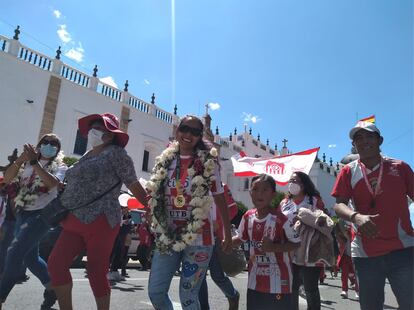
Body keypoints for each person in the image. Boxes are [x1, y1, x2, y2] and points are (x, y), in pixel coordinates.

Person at [47, 113, 148, 310]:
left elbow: (134, 184)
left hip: (102, 220)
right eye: (92, 126)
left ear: (110, 134)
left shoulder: (118, 154)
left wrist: (152, 209)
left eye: (98, 127)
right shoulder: (87, 155)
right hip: (74, 217)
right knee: (55, 264)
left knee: (96, 271)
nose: (93, 130)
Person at [147, 115, 232, 310]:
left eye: (195, 132)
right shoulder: (165, 159)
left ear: (200, 136)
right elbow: (155, 192)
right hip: (167, 235)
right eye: (185, 129)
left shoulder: (208, 162)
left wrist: (227, 233)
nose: (188, 135)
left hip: (200, 240)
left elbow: (220, 198)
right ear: (177, 129)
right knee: (156, 293)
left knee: (188, 296)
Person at [332, 121, 414, 310]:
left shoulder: (400, 167)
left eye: (369, 136)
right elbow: (339, 205)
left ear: (380, 141)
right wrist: (355, 216)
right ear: (354, 145)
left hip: (402, 249)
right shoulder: (348, 171)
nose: (363, 141)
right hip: (365, 253)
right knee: (370, 306)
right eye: (358, 138)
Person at [0, 134, 67, 310]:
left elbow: (53, 183)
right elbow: (7, 179)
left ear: (58, 150)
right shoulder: (25, 164)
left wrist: (34, 163)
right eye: (45, 142)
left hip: (43, 215)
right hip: (22, 214)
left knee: (14, 252)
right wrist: (21, 159)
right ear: (38, 145)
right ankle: (52, 289)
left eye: (54, 144)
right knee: (31, 258)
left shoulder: (60, 166)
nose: (49, 145)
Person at [232, 174, 300, 310]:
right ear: (250, 193)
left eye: (265, 190)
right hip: (254, 282)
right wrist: (226, 241)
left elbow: (297, 243)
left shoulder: (282, 219)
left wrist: (273, 247)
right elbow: (241, 238)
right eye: (255, 189)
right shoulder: (247, 216)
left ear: (273, 194)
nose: (259, 194)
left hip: (279, 284)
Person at [280, 171, 333, 310]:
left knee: (310, 288)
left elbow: (324, 221)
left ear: (303, 184)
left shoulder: (314, 200)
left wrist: (307, 218)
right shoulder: (284, 203)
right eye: (290, 180)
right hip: (289, 250)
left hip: (310, 249)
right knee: (292, 287)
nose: (291, 183)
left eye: (295, 180)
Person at [199, 184, 240, 310]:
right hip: (199, 238)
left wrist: (219, 222)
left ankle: (233, 295)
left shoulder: (222, 187)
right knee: (199, 276)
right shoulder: (195, 184)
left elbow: (233, 209)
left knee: (217, 275)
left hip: (216, 238)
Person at [334, 220, 359, 300]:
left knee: (356, 274)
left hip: (355, 255)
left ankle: (357, 291)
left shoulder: (355, 229)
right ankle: (344, 290)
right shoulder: (341, 228)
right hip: (345, 255)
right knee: (344, 274)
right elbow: (337, 231)